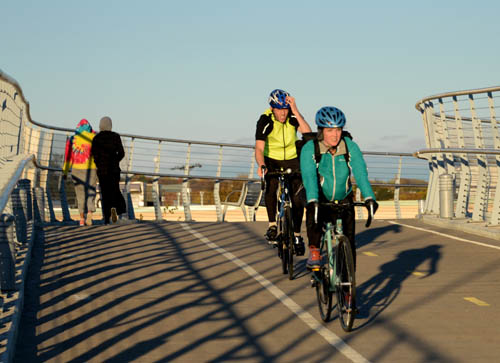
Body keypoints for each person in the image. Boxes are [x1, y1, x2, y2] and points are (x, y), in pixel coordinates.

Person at [300, 106, 378, 271]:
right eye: (330, 130)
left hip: (344, 196)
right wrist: (313, 200)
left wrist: (369, 197)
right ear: (321, 131)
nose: (335, 135)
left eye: (338, 129)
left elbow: (360, 173)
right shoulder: (310, 148)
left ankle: (349, 286)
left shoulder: (350, 147)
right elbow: (309, 177)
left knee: (349, 242)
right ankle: (314, 250)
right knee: (312, 209)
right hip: (320, 195)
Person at [255, 89, 312, 255]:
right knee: (271, 186)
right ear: (272, 108)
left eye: (285, 109)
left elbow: (307, 133)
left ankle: (296, 235)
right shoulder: (265, 120)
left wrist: (296, 110)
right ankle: (272, 225)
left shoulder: (292, 116)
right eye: (279, 109)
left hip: (292, 158)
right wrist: (262, 165)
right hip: (271, 158)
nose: (283, 113)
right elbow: (259, 148)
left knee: (297, 197)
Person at [91, 116, 127, 224]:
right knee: (114, 191)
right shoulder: (115, 136)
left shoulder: (96, 138)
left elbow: (94, 154)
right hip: (114, 169)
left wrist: (99, 163)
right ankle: (115, 215)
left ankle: (106, 218)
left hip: (102, 171)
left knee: (105, 194)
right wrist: (115, 160)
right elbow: (122, 153)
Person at [62, 119, 98, 226]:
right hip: (91, 168)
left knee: (80, 194)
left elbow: (68, 158)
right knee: (91, 191)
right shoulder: (94, 138)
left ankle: (82, 219)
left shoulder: (72, 139)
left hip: (77, 169)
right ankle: (90, 213)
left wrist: (65, 172)